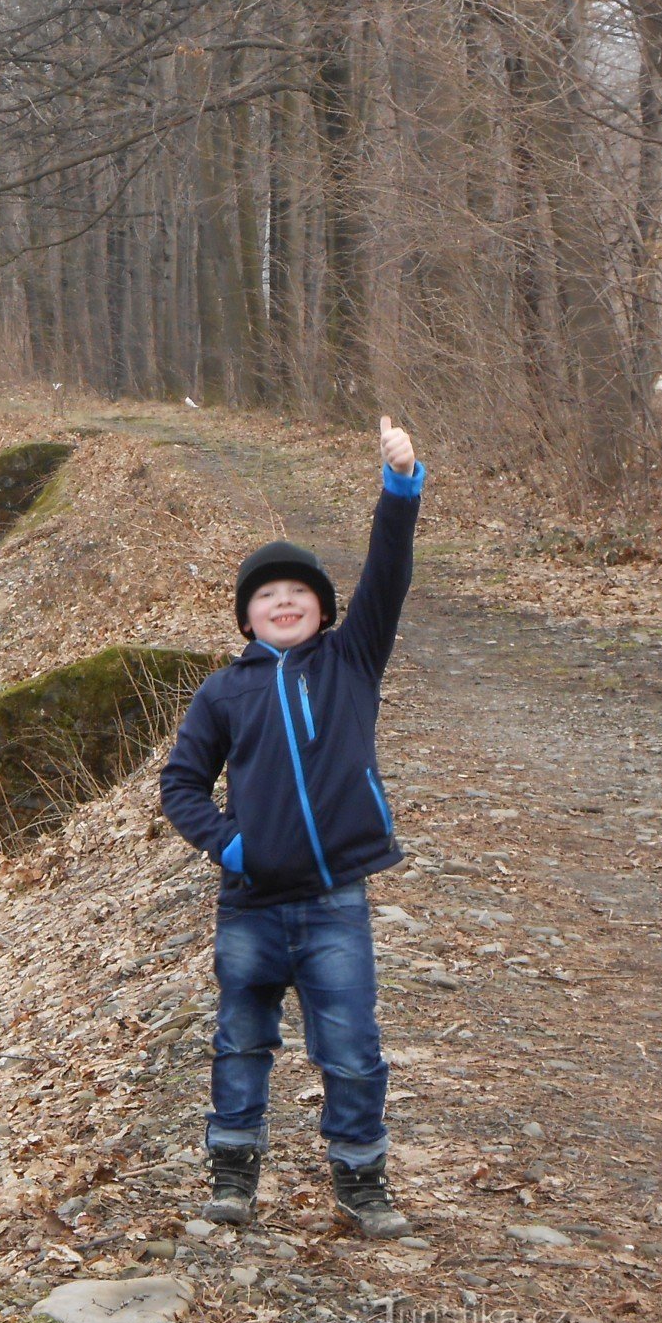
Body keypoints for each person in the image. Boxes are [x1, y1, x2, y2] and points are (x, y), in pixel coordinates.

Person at [158, 417, 424, 1240]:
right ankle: (232, 1175)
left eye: (299, 594)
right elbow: (181, 784)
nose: (283, 603)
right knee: (241, 1042)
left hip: (334, 901)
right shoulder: (223, 693)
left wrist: (401, 484)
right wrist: (232, 844)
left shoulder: (351, 659)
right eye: (267, 597)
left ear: (322, 612)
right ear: (247, 620)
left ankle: (360, 1179)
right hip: (249, 905)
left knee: (351, 1049)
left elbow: (388, 572)